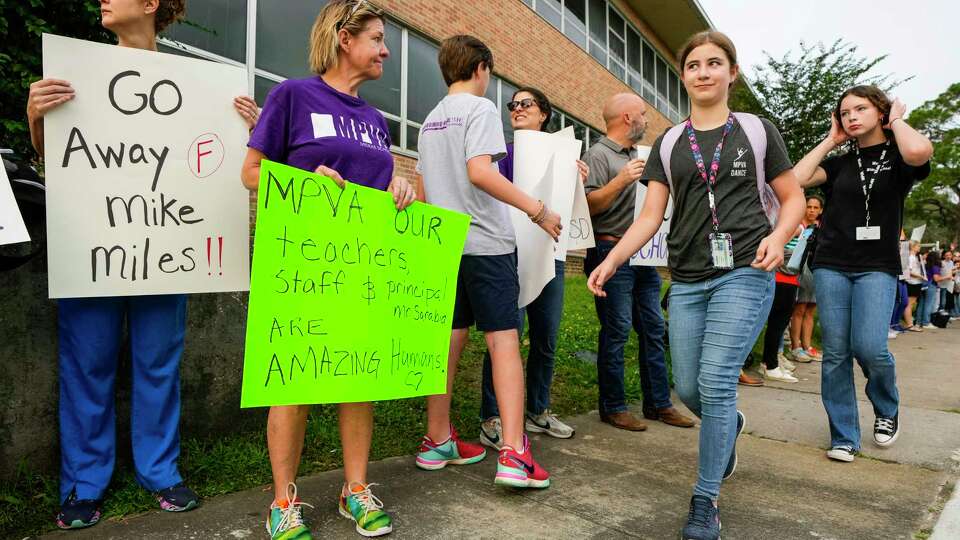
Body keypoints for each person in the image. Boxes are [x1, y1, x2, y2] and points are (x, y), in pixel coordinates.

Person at [26, 0, 259, 530]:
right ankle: (84, 483)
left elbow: (222, 165)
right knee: (87, 364)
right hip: (93, 248)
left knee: (160, 363)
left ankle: (160, 472)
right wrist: (37, 118)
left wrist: (251, 130)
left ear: (152, 4)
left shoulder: (199, 87)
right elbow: (56, 162)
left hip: (165, 251)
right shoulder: (77, 74)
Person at [587, 31, 803, 540]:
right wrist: (613, 259)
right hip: (685, 277)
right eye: (693, 65)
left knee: (715, 381)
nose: (703, 72)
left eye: (714, 63)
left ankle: (705, 501)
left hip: (746, 270)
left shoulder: (756, 130)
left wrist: (779, 235)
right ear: (684, 76)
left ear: (732, 73)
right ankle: (728, 427)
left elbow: (791, 197)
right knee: (687, 387)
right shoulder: (668, 141)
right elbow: (650, 216)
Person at [240, 2, 417, 537]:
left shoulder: (373, 119)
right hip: (301, 263)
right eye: (379, 39)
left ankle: (355, 488)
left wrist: (398, 187)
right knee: (293, 381)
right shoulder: (292, 95)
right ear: (345, 38)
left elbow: (373, 182)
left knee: (357, 379)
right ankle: (282, 500)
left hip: (362, 267)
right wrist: (303, 176)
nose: (386, 50)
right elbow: (251, 173)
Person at [416, 34, 561, 489]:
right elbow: (481, 171)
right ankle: (514, 453)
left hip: (446, 246)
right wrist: (537, 209)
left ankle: (437, 438)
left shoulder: (430, 121)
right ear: (481, 68)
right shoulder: (478, 110)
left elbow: (423, 191)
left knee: (449, 344)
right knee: (503, 343)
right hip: (487, 245)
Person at [795, 84, 933, 463]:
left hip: (876, 266)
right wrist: (829, 140)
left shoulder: (901, 157)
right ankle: (843, 435)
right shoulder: (840, 162)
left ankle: (887, 408)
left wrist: (898, 122)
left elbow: (920, 151)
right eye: (844, 112)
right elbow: (797, 178)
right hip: (832, 263)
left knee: (870, 347)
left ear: (880, 112)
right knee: (836, 352)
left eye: (860, 109)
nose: (851, 117)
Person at [478, 87, 589, 448]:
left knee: (547, 337)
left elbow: (569, 207)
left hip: (550, 252)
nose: (518, 109)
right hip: (509, 252)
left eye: (526, 103)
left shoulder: (564, 156)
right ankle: (491, 417)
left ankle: (538, 410)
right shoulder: (502, 154)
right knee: (506, 336)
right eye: (513, 105)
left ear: (544, 113)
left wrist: (577, 181)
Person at [581, 92, 696, 431]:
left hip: (646, 257)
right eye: (643, 114)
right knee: (616, 331)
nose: (647, 120)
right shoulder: (598, 154)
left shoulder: (645, 156)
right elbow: (589, 207)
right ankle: (613, 406)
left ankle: (659, 403)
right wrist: (621, 180)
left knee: (654, 330)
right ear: (628, 118)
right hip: (609, 253)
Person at [789, 195, 824, 361]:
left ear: (821, 210)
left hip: (814, 269)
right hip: (799, 270)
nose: (812, 210)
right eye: (809, 207)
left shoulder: (820, 227)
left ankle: (807, 345)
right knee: (800, 308)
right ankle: (795, 347)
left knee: (811, 309)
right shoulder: (799, 225)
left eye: (815, 208)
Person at [903, 241, 926, 331]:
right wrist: (921, 276)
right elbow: (909, 271)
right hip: (913, 282)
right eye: (918, 246)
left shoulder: (915, 257)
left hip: (916, 282)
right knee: (909, 304)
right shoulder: (911, 257)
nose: (919, 247)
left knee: (911, 303)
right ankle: (909, 324)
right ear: (912, 247)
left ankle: (910, 323)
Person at [917, 251, 941, 328]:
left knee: (921, 304)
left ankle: (918, 322)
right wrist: (948, 276)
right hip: (931, 286)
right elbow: (936, 279)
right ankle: (926, 322)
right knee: (928, 305)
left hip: (923, 285)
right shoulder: (935, 267)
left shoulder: (926, 266)